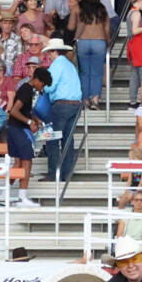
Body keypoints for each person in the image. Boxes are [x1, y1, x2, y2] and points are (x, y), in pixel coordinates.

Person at [6, 66, 49, 207]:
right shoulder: (27, 90)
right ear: (36, 79)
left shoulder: (26, 88)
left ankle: (3, 193)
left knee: (17, 163)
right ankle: (22, 198)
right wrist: (30, 122)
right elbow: (14, 111)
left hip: (13, 128)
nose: (42, 88)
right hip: (19, 129)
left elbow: (23, 111)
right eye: (42, 84)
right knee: (27, 162)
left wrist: (35, 118)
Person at [39, 37, 80, 182]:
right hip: (75, 105)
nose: (48, 55)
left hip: (60, 105)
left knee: (52, 139)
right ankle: (66, 173)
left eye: (50, 52)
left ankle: (53, 173)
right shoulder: (70, 65)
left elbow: (50, 86)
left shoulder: (56, 65)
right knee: (68, 141)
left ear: (54, 52)